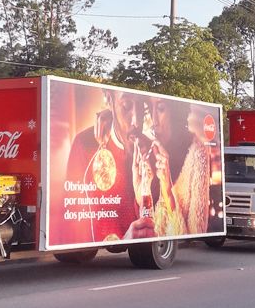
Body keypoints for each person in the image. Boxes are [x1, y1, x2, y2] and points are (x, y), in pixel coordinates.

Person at [65, 89, 154, 243]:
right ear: (108, 98)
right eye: (126, 106)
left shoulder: (153, 152)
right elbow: (72, 221)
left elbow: (159, 223)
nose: (136, 122)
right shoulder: (85, 145)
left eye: (141, 107)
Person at [145, 97, 211, 236]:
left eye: (161, 109)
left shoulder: (197, 154)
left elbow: (195, 232)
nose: (154, 120)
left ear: (176, 113)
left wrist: (167, 189)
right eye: (149, 109)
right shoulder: (147, 151)